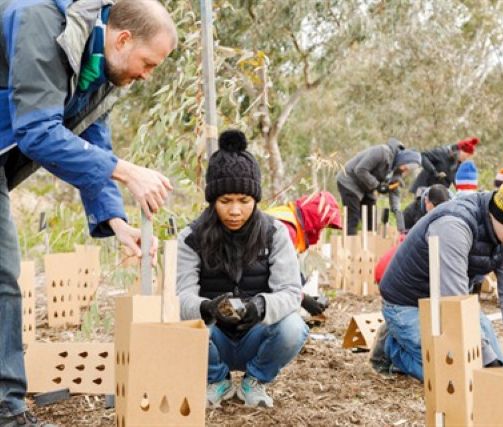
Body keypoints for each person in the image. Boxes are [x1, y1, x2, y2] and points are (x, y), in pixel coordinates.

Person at [0, 1, 176, 424]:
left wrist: (116, 221)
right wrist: (127, 172)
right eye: (148, 63)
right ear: (123, 39)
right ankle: (7, 408)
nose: (147, 76)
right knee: (3, 276)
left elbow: (90, 135)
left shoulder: (98, 66)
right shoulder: (41, 21)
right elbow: (38, 132)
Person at [176, 130, 308, 409]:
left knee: (294, 327)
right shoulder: (190, 238)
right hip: (212, 339)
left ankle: (254, 381)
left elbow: (290, 292)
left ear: (255, 200)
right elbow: (180, 298)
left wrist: (260, 306)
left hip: (256, 336)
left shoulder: (275, 233)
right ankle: (216, 380)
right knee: (180, 325)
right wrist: (208, 308)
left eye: (244, 201)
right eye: (225, 201)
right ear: (213, 200)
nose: (235, 211)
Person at [375, 167, 503, 380]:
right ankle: (391, 348)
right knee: (454, 375)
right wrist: (483, 358)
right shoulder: (454, 226)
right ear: (501, 216)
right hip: (407, 303)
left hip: (452, 299)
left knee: (498, 368)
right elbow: (454, 301)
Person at [265, 191, 342, 316]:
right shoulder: (287, 229)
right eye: (322, 225)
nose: (321, 230)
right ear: (315, 218)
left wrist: (305, 298)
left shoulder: (289, 217)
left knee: (299, 274)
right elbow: (269, 273)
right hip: (252, 293)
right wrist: (302, 299)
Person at [336, 138, 420, 235]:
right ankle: (350, 242)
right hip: (349, 180)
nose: (406, 169)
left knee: (371, 219)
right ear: (404, 159)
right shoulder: (381, 152)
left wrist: (396, 210)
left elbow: (394, 190)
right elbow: (360, 169)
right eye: (408, 166)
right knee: (353, 217)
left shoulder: (398, 169)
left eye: (410, 168)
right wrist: (377, 185)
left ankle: (370, 242)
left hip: (366, 186)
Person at [374, 184, 451, 285]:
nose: (438, 211)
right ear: (427, 202)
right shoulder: (413, 214)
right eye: (436, 207)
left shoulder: (448, 209)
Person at [409, 137, 478, 193]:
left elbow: (457, 181)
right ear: (461, 151)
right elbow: (423, 156)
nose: (467, 158)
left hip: (439, 192)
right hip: (424, 186)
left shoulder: (459, 164)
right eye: (467, 155)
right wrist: (434, 172)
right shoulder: (442, 153)